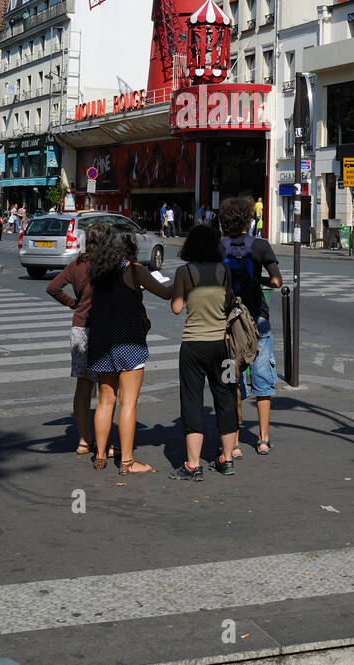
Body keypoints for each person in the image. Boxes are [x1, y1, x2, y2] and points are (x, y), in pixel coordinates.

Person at [86, 227, 172, 473]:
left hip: (101, 342)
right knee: (128, 403)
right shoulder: (134, 270)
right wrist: (180, 281)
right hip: (129, 342)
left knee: (105, 401)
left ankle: (100, 456)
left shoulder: (98, 270)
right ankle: (126, 462)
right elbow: (165, 293)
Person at [168, 223, 237, 481]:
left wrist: (182, 294)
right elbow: (229, 301)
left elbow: (176, 308)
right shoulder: (224, 270)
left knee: (192, 401)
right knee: (226, 398)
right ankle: (227, 460)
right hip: (224, 346)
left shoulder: (184, 271)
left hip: (193, 346)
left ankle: (193, 465)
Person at [219, 196, 282, 455]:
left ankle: (232, 442)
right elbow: (277, 281)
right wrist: (260, 282)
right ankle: (263, 438)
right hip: (257, 320)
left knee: (229, 378)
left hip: (227, 321)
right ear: (248, 219)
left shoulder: (218, 247)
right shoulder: (260, 246)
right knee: (262, 378)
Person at [47, 221, 110, 456]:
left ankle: (84, 440)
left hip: (80, 328)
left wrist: (73, 303)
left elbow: (53, 287)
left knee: (83, 387)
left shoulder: (76, 265)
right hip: (102, 330)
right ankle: (103, 444)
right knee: (106, 388)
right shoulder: (108, 266)